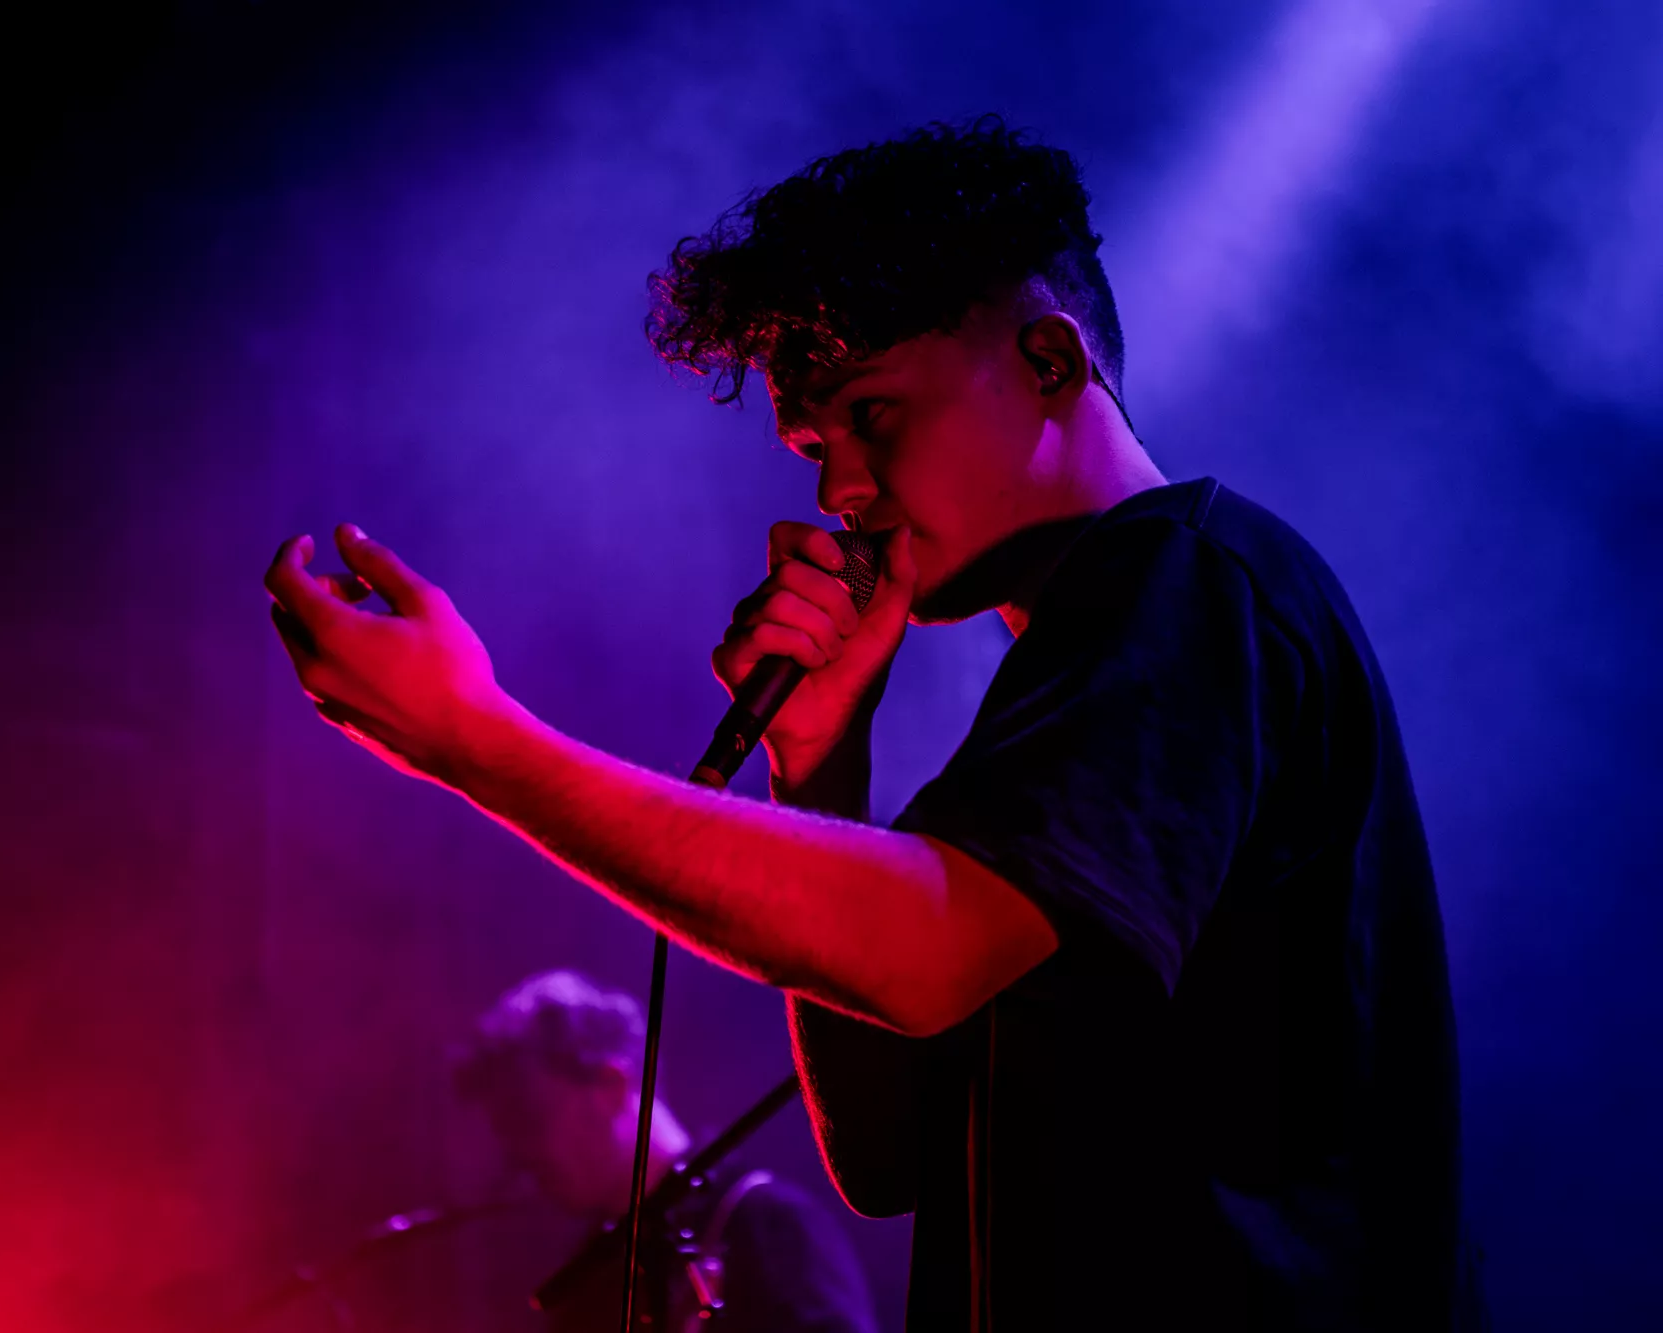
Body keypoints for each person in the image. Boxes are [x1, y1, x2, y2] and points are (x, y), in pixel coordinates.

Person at [264, 117, 1481, 1329]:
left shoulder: (1190, 575)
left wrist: (478, 739)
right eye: (813, 444)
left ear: (1048, 361)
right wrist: (818, 764)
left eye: (875, 416)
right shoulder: (1066, 688)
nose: (838, 489)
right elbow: (888, 1151)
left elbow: (927, 950)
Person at [454, 970, 877, 1332]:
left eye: (528, 1118)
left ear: (611, 1086)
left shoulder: (765, 1224)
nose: (519, 1154)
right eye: (506, 1132)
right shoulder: (593, 1272)